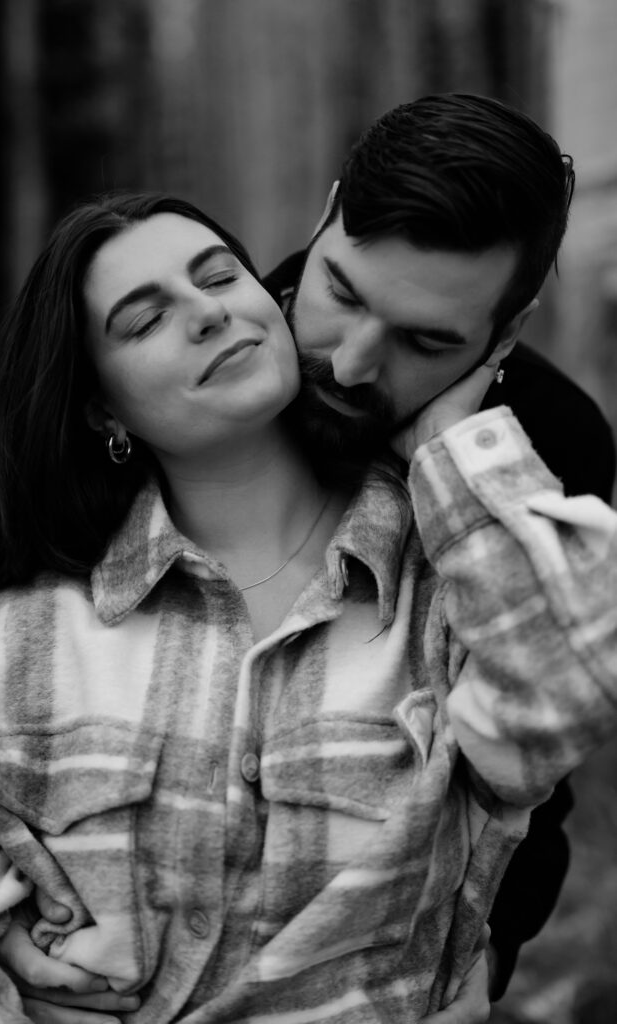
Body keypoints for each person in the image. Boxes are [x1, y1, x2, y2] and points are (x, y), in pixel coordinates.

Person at [0, 192, 617, 1024]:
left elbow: (566, 694)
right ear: (101, 408)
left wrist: (451, 447)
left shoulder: (459, 591)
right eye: (145, 321)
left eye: (220, 276)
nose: (207, 314)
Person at [264, 92, 617, 1002]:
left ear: (508, 327)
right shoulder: (186, 360)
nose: (349, 364)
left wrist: (488, 959)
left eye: (427, 341)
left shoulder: (553, 444)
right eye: (340, 291)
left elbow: (538, 772)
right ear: (328, 211)